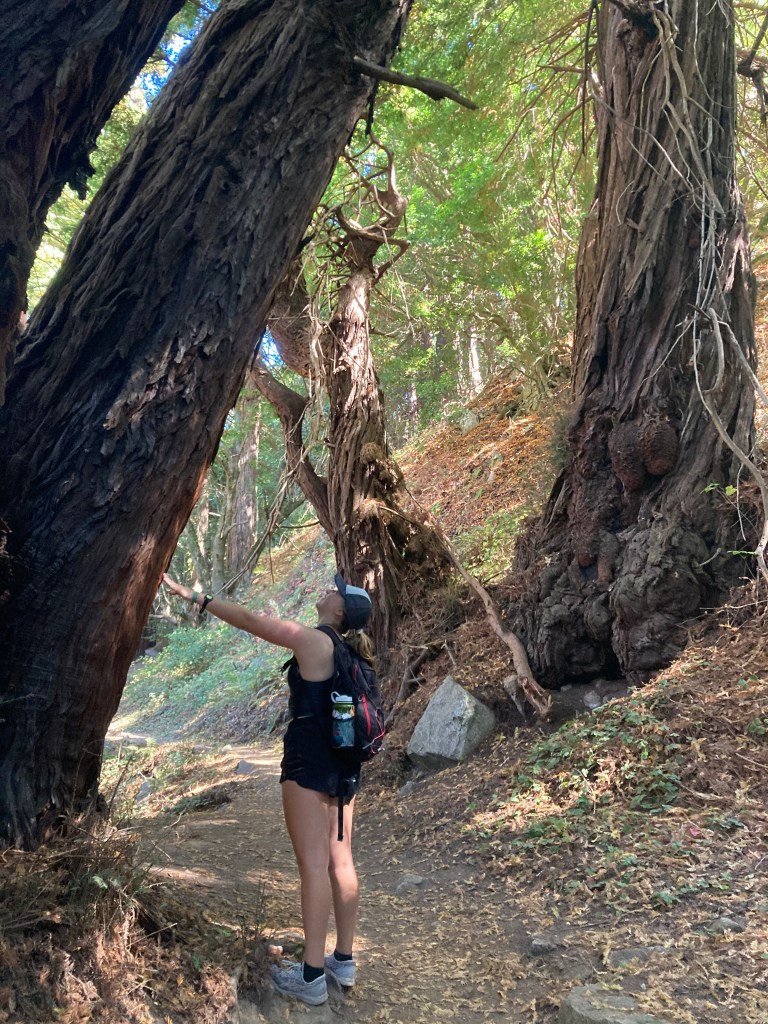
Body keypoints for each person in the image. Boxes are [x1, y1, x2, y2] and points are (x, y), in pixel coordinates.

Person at [161, 570, 374, 1006]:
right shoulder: (352, 654)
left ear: (339, 610)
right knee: (341, 859)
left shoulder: (315, 642)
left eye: (335, 590)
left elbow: (250, 621)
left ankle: (311, 977)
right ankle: (343, 960)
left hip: (307, 764)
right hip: (343, 766)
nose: (327, 589)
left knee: (313, 865)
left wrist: (195, 597)